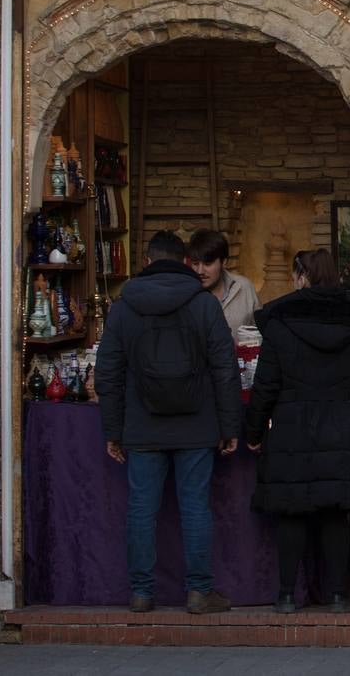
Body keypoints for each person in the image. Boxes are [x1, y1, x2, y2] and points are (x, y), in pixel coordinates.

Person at [94, 230, 239, 614]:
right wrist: (229, 427)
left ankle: (141, 593)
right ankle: (198, 593)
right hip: (197, 425)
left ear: (147, 261)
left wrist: (113, 430)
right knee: (195, 507)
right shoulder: (205, 305)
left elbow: (106, 372)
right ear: (186, 262)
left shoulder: (124, 306)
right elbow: (226, 370)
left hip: (142, 427)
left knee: (141, 509)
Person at [244, 249, 350, 614]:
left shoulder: (280, 321)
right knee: (335, 512)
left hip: (291, 426)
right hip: (341, 426)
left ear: (302, 276)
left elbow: (266, 385)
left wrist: (254, 432)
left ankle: (288, 594)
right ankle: (338, 594)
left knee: (292, 511)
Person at [188, 228, 260, 337]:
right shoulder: (185, 293)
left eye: (208, 264)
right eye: (195, 263)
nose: (200, 271)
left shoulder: (244, 287)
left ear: (224, 262)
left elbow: (259, 331)